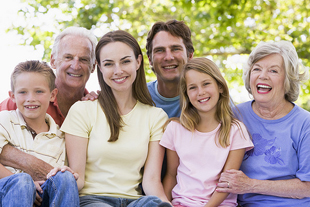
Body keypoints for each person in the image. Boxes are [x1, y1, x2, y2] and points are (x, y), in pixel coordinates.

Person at [49, 30, 171, 207]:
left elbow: (151, 181)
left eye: (125, 61)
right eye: (109, 64)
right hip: (92, 200)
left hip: (135, 202)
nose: (118, 71)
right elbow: (78, 177)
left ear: (138, 61)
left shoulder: (156, 117)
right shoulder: (83, 111)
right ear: (99, 67)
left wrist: (167, 204)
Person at [217, 41, 310, 206]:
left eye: (273, 70)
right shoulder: (234, 115)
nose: (263, 76)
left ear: (288, 79)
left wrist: (251, 185)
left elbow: (307, 187)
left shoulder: (304, 123)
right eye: (257, 69)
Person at [0, 26, 98, 181]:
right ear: (53, 60)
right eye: (68, 57)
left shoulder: (95, 109)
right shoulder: (25, 100)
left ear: (93, 66)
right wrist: (31, 165)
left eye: (84, 59)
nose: (76, 65)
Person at [160, 57, 253, 207]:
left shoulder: (235, 130)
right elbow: (171, 175)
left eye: (206, 84)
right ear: (187, 95)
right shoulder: (175, 128)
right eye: (192, 87)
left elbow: (227, 182)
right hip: (181, 203)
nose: (200, 92)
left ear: (220, 87)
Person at [0, 60, 79, 206]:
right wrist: (26, 184)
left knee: (65, 177)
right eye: (23, 92)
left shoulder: (60, 138)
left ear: (52, 95)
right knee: (22, 182)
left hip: (42, 198)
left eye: (39, 91)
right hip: (6, 195)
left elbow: (56, 183)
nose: (31, 98)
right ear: (12, 96)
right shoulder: (4, 120)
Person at [146, 19, 194, 118]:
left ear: (190, 56)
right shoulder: (136, 98)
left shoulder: (207, 96)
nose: (168, 57)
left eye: (176, 49)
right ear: (150, 59)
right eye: (159, 50)